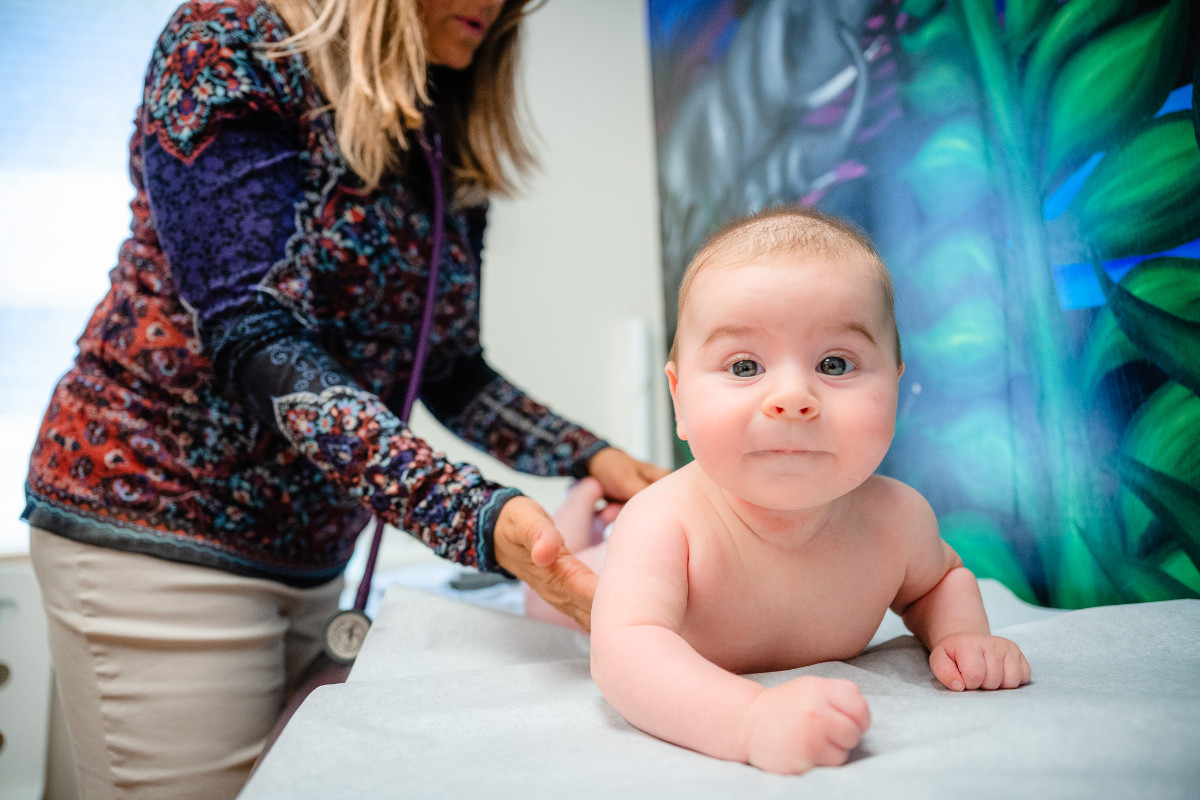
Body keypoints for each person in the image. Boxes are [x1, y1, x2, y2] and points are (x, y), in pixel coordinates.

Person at [23, 1, 665, 797]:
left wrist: (594, 457)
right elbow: (255, 338)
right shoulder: (227, 47)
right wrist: (476, 516)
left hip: (313, 554)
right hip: (158, 525)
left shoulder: (436, 121)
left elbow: (449, 368)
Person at [588, 207, 1032, 775]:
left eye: (835, 362)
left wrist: (963, 634)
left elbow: (939, 581)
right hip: (605, 563)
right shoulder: (662, 523)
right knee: (565, 570)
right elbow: (623, 652)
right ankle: (587, 513)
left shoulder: (897, 519)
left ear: (894, 387)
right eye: (745, 366)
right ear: (679, 399)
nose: (793, 396)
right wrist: (748, 720)